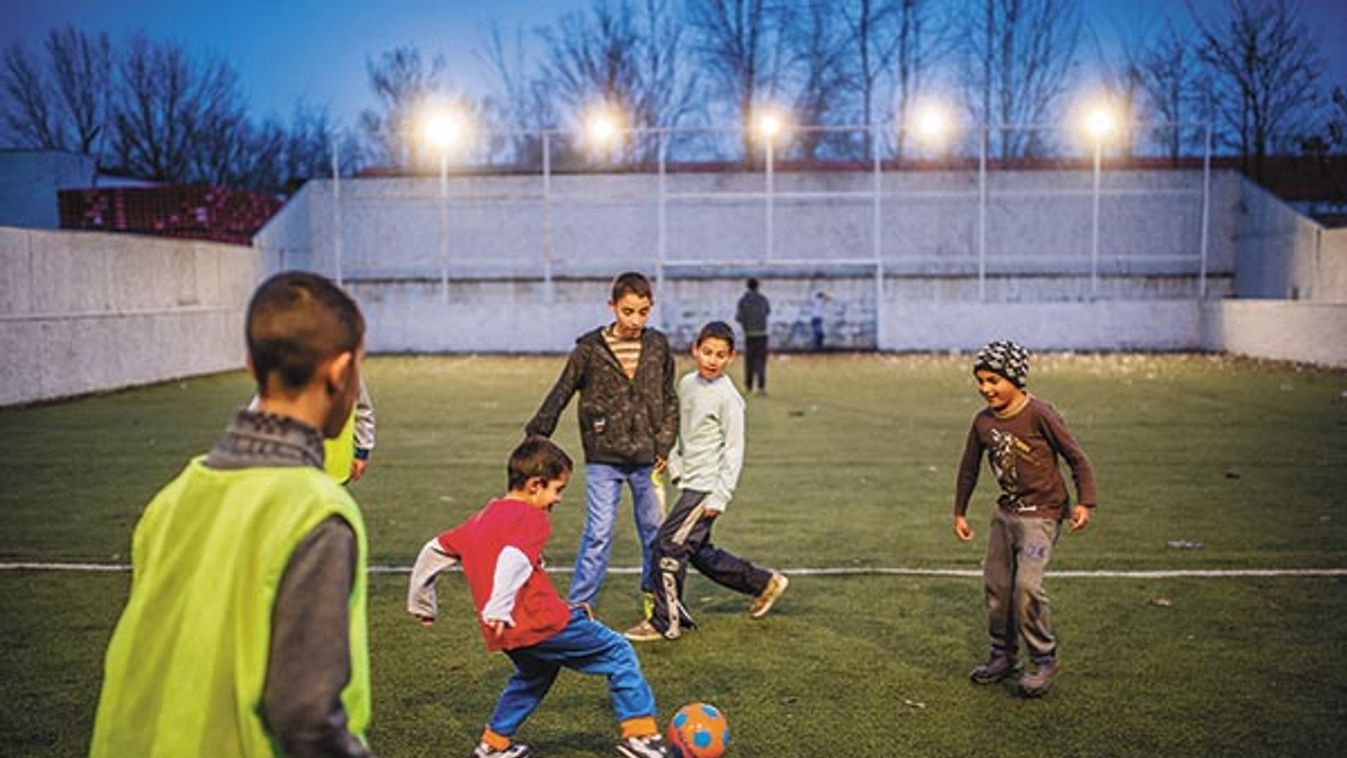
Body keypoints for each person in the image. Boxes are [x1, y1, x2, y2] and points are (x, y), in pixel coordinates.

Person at [91, 271, 376, 757]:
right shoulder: (316, 513)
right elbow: (307, 718)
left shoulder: (173, 497)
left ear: (250, 364)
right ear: (341, 371)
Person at [407, 436, 669, 758]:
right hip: (540, 623)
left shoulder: (481, 519)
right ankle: (641, 737)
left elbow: (433, 549)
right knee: (618, 651)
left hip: (506, 631)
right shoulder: (532, 519)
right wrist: (499, 605)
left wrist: (421, 601)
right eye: (557, 489)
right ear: (534, 485)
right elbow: (514, 558)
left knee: (533, 676)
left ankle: (494, 745)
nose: (557, 499)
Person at [623, 322, 788, 642]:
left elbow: (734, 450)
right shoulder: (687, 384)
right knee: (699, 552)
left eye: (721, 355)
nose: (712, 360)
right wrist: (676, 468)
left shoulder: (729, 399)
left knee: (667, 546)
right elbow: (680, 432)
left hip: (706, 489)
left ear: (731, 357)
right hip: (690, 482)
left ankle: (664, 622)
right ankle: (763, 583)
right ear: (695, 349)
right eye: (708, 352)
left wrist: (720, 496)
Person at [525, 271, 678, 610]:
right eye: (627, 311)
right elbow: (561, 392)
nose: (635, 320)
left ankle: (656, 596)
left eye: (643, 311)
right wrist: (536, 436)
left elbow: (669, 399)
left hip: (647, 460)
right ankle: (580, 606)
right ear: (612, 306)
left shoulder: (658, 346)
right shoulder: (589, 349)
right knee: (597, 534)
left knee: (655, 534)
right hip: (603, 460)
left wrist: (664, 445)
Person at [952, 339, 1097, 697]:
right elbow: (969, 468)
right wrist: (960, 511)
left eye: (994, 380)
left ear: (1016, 378)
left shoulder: (1040, 414)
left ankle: (1043, 659)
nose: (986, 388)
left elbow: (1076, 457)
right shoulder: (982, 422)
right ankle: (1003, 655)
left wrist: (1085, 502)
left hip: (1042, 515)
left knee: (1027, 588)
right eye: (981, 380)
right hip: (1006, 515)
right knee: (998, 588)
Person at [250, 378, 375, 484]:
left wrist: (362, 452)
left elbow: (362, 410)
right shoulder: (283, 373)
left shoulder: (348, 374)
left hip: (335, 469)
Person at [734, 277, 770, 395]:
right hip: (762, 334)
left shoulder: (743, 301)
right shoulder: (763, 299)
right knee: (761, 361)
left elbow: (738, 317)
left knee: (750, 361)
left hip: (749, 335)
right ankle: (761, 386)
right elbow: (767, 312)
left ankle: (749, 385)